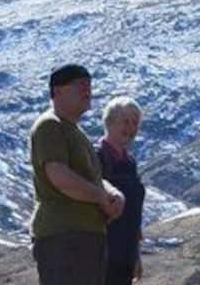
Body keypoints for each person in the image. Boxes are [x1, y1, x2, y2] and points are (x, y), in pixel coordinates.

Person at [29, 64, 124, 284]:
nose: (87, 90)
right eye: (80, 85)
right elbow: (60, 177)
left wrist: (114, 194)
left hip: (84, 235)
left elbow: (91, 178)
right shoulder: (50, 125)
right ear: (57, 91)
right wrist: (101, 197)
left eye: (89, 85)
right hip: (64, 236)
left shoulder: (75, 131)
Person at [97, 97, 148, 284]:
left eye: (135, 123)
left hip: (125, 254)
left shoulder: (130, 163)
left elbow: (133, 213)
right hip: (102, 254)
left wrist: (135, 255)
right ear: (109, 122)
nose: (131, 128)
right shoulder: (97, 157)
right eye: (125, 121)